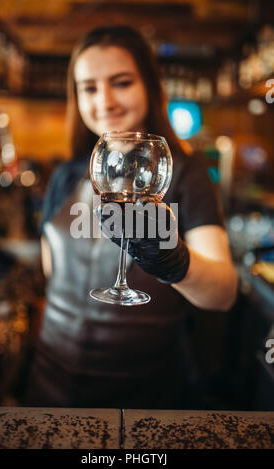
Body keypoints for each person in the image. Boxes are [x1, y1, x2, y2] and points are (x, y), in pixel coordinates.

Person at [24, 25, 238, 409]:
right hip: (49, 384)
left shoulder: (185, 174)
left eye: (121, 82)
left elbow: (223, 293)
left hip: (144, 394)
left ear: (151, 86)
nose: (104, 100)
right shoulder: (66, 173)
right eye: (89, 87)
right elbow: (51, 275)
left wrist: (175, 262)